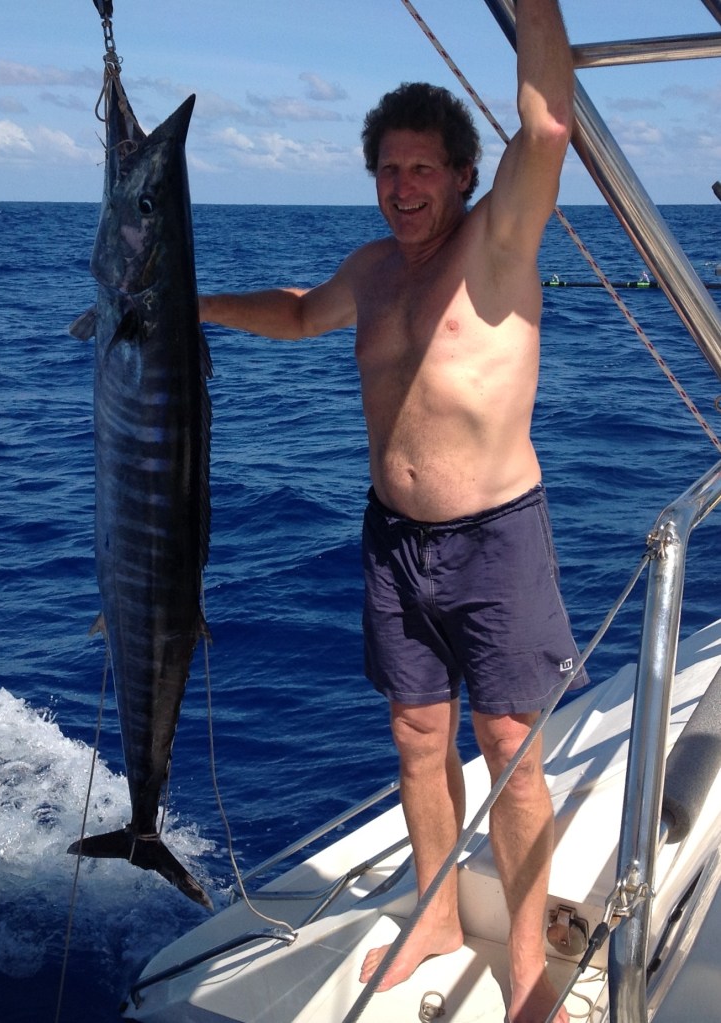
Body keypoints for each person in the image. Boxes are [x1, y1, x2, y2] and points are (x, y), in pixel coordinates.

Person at [199, 3, 584, 1020]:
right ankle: (438, 915)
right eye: (387, 170)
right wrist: (193, 303)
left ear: (463, 175)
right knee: (419, 735)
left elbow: (547, 125)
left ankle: (531, 968)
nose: (403, 188)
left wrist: (535, 9)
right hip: (392, 541)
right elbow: (297, 315)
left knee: (510, 750)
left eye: (421, 169)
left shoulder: (498, 239)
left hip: (496, 538)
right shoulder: (371, 271)